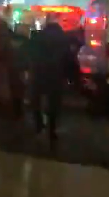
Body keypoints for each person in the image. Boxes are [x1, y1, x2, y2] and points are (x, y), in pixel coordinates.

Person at [27, 13, 73, 145]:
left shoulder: (37, 36)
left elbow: (30, 53)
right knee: (54, 102)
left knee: (35, 100)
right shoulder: (64, 38)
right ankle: (52, 130)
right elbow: (69, 59)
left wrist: (29, 69)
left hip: (38, 73)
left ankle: (38, 126)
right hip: (56, 74)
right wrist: (70, 77)